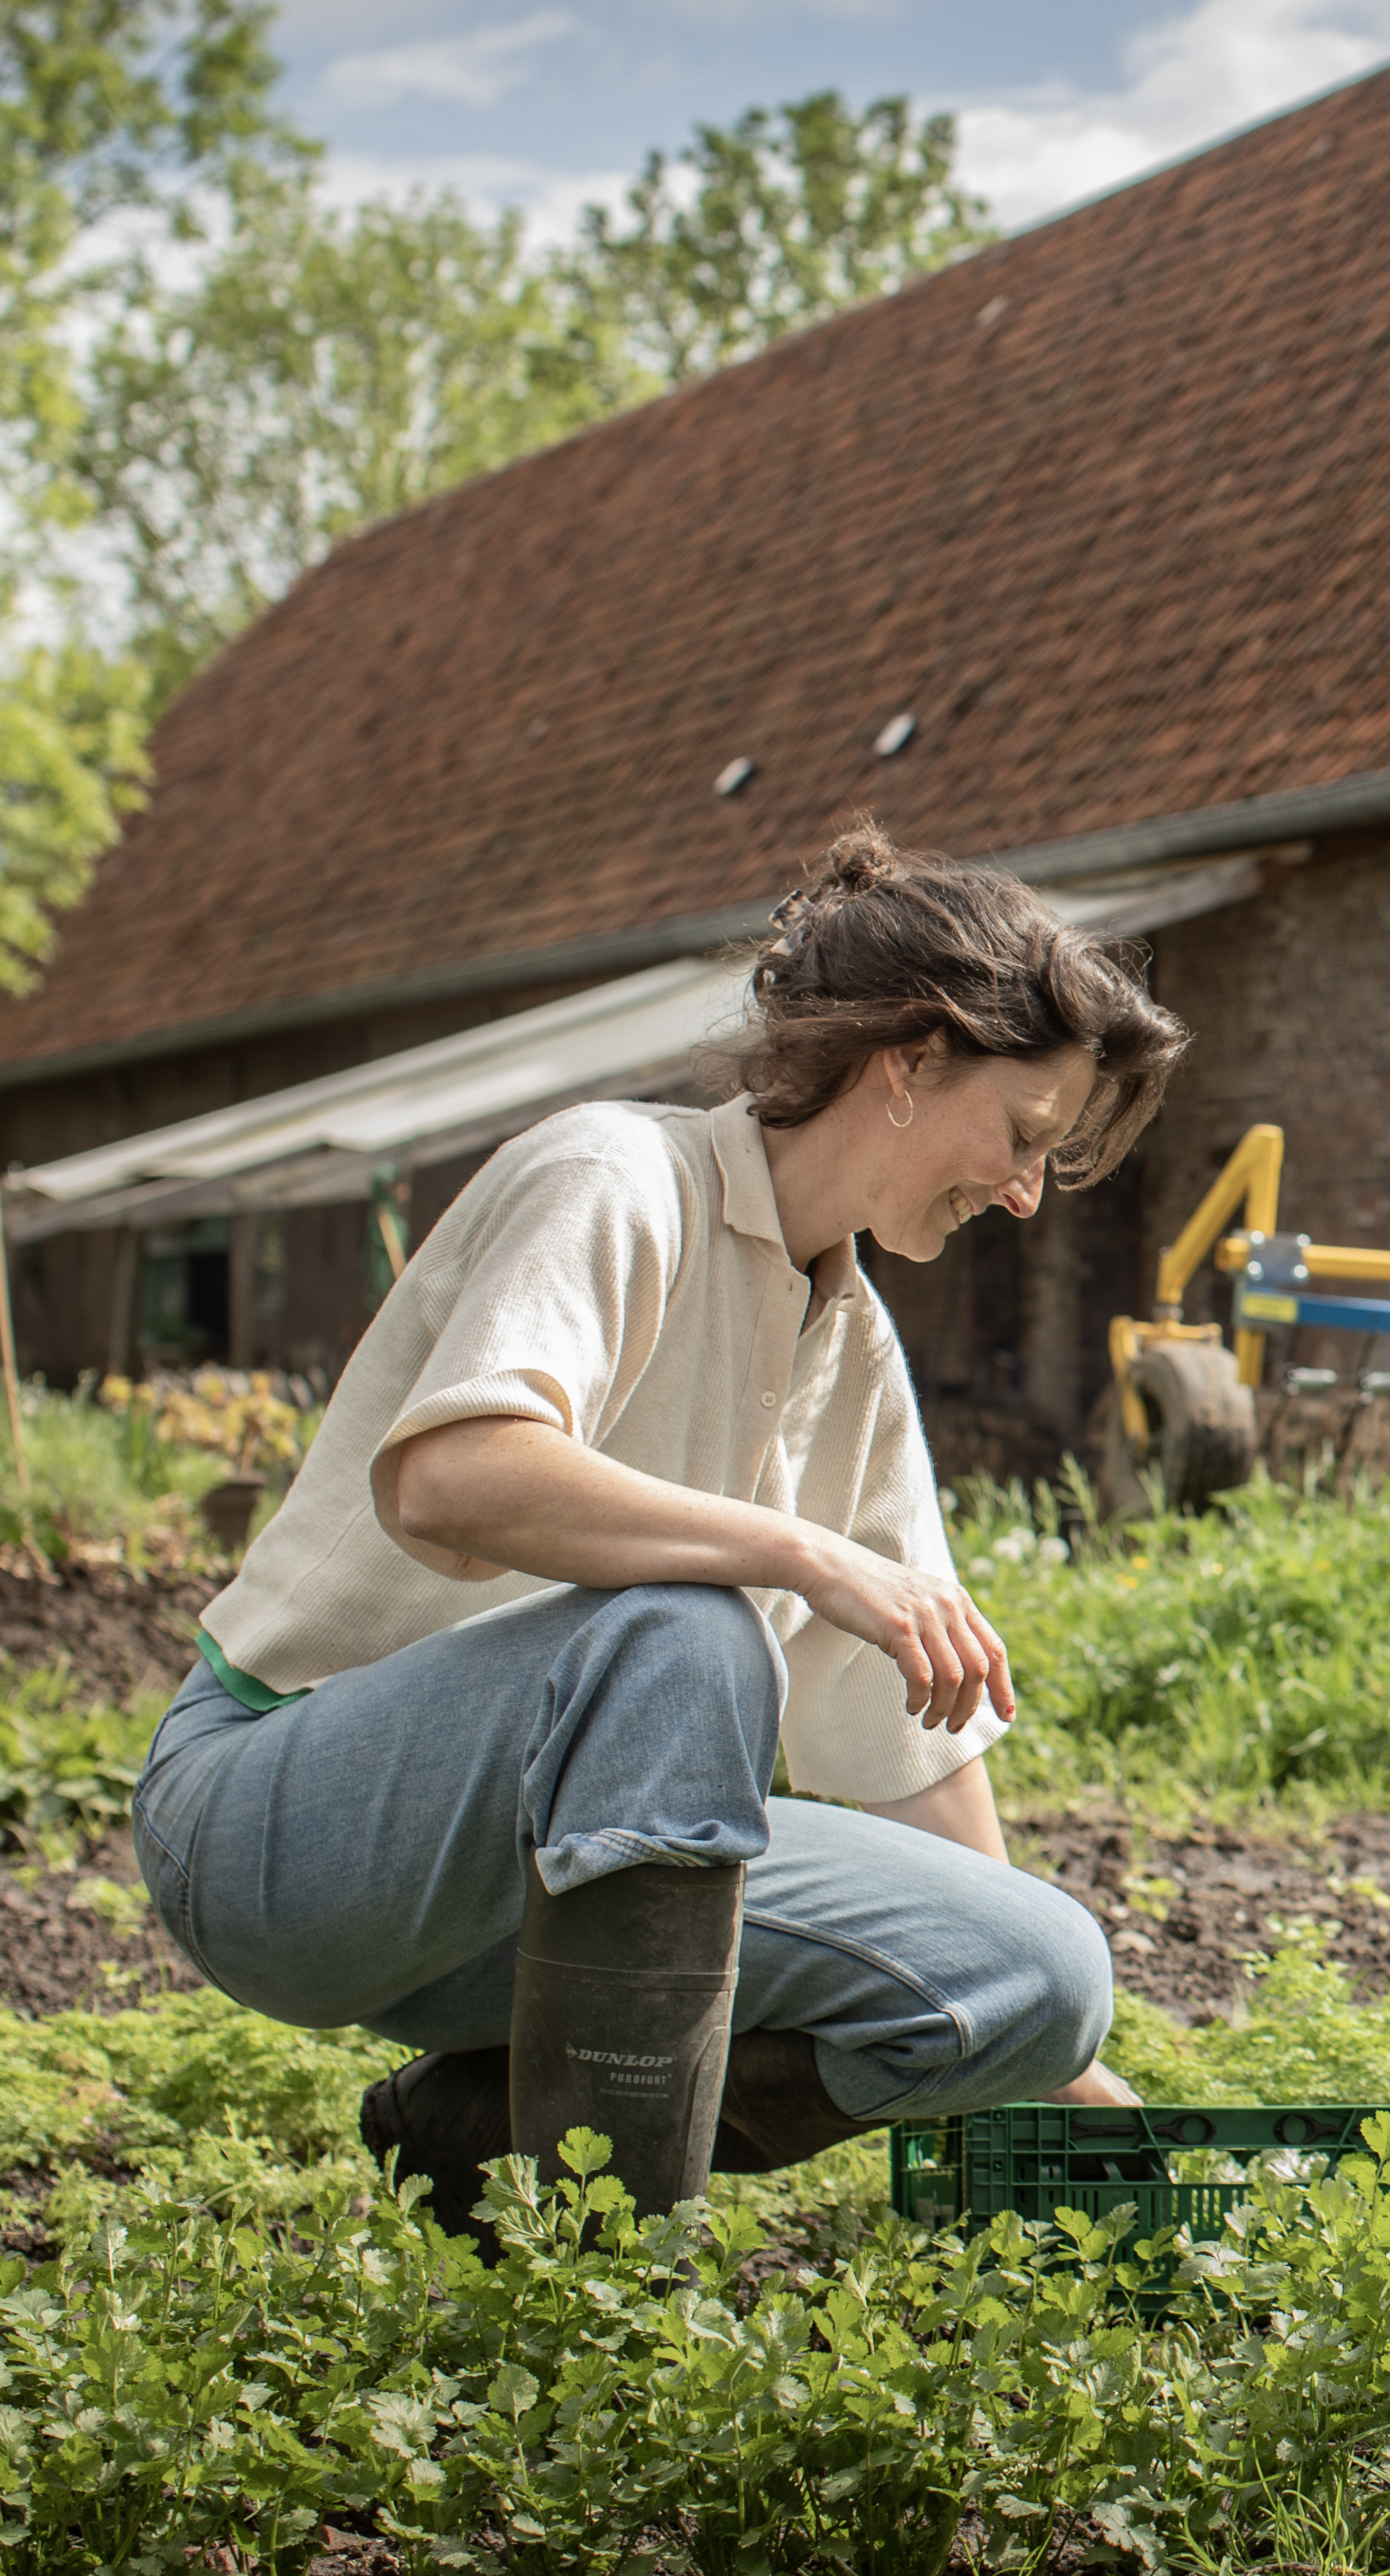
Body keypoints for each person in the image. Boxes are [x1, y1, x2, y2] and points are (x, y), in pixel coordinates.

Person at [129, 827, 1191, 2234]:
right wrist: (799, 1549)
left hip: (542, 1903)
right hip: (285, 1825)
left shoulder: (853, 1351)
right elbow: (453, 1476)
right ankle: (623, 2276)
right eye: (1023, 1137)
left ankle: (487, 2127)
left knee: (1042, 1970)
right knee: (689, 1635)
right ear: (912, 1058)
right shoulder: (615, 1177)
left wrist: (1057, 2067)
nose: (1021, 1193)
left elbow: (909, 1741)